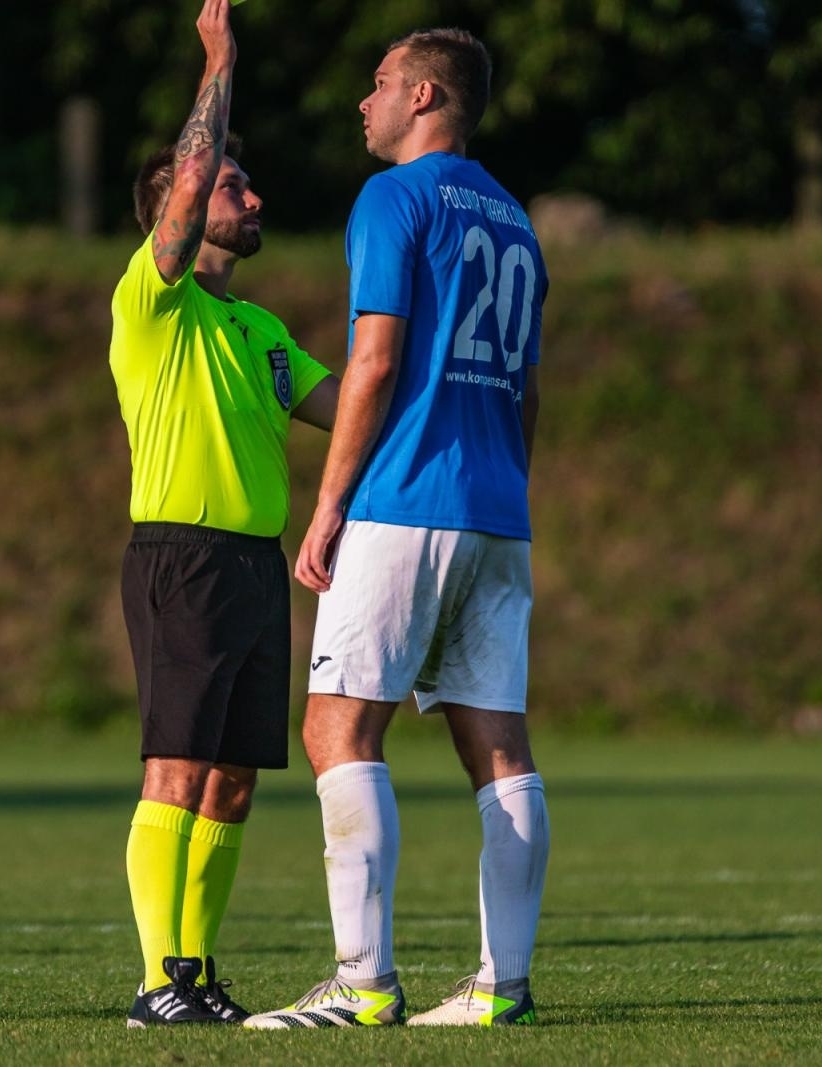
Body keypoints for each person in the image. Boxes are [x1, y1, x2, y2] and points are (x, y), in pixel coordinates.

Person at [243, 28, 551, 1029]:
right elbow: (528, 388)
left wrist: (328, 503)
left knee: (337, 723)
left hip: (405, 500)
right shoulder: (513, 217)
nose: (360, 102)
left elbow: (372, 363)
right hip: (497, 509)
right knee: (498, 744)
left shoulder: (392, 199)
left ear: (423, 94)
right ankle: (502, 983)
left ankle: (363, 980)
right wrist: (505, 488)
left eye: (375, 84)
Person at [108, 0, 339, 1028]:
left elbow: (341, 407)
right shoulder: (150, 300)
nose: (252, 195)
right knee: (176, 765)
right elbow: (193, 172)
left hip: (255, 563)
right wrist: (219, 61)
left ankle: (195, 968)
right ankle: (158, 978)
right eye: (233, 184)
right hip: (183, 559)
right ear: (180, 205)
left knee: (234, 783)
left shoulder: (259, 329)